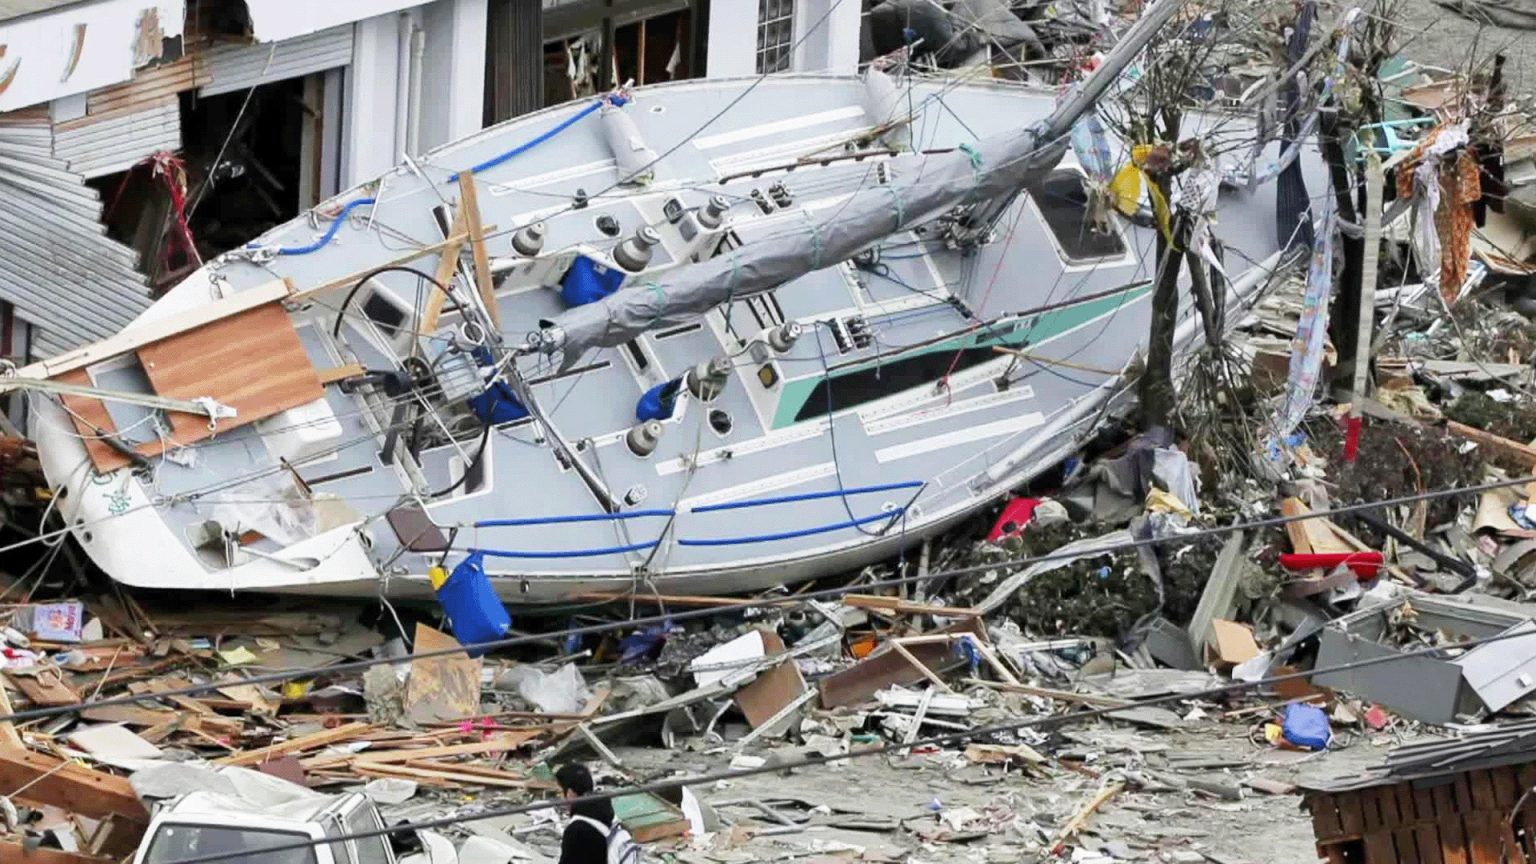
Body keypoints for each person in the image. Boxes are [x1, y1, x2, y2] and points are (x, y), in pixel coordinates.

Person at [556, 762, 615, 864]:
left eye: (559, 792)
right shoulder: (606, 814)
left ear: (570, 793)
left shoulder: (577, 831)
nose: (559, 798)